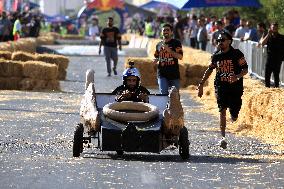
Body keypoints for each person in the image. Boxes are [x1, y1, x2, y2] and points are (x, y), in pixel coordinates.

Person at [197, 30, 248, 149]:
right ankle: (223, 137)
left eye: (222, 40)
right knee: (222, 110)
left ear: (229, 41)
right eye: (218, 40)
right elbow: (210, 70)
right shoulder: (216, 56)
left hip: (235, 88)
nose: (220, 42)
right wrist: (201, 85)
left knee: (234, 114)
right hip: (221, 86)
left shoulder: (237, 54)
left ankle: (234, 115)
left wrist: (237, 77)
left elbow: (245, 69)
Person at [153, 23, 183, 95]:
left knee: (175, 95)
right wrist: (156, 60)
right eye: (164, 30)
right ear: (162, 32)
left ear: (171, 32)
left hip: (174, 74)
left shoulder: (176, 43)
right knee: (163, 94)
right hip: (162, 74)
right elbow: (156, 56)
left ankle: (174, 106)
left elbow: (180, 57)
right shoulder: (159, 45)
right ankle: (165, 106)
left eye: (167, 30)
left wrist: (169, 51)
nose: (165, 31)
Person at [259, 22, 284, 88]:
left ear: (277, 28)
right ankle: (267, 89)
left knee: (276, 75)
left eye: (275, 28)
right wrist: (268, 34)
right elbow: (262, 44)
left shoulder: (282, 37)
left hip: (278, 59)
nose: (274, 29)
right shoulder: (268, 37)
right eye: (273, 28)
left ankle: (276, 89)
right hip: (269, 59)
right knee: (267, 75)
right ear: (270, 28)